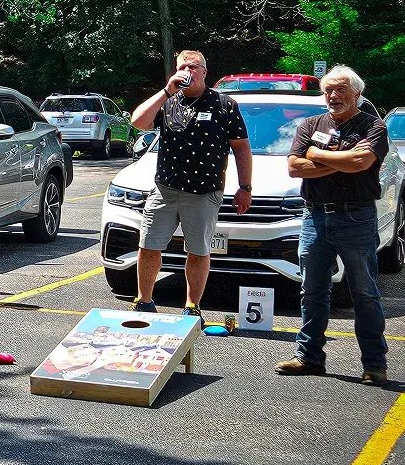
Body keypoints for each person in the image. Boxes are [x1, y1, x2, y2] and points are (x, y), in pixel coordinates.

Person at [277, 66, 390, 385]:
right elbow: (295, 168)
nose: (333, 96)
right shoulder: (311, 124)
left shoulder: (373, 126)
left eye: (341, 90)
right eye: (328, 90)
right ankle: (309, 357)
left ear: (357, 94)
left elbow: (362, 163)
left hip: (355, 217)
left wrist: (318, 154)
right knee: (312, 290)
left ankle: (374, 364)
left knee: (364, 292)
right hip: (314, 217)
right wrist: (339, 158)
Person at [128, 49, 251, 317]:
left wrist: (245, 187)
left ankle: (192, 305)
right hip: (165, 188)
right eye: (183, 66)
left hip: (203, 191)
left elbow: (241, 148)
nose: (188, 72)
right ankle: (144, 301)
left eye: (194, 67)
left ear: (205, 72)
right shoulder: (169, 101)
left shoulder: (224, 104)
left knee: (197, 250)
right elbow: (138, 122)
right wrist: (165, 91)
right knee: (148, 245)